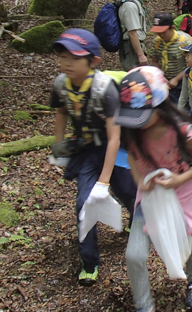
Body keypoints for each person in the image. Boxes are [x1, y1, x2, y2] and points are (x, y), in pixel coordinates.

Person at [115, 66, 192, 312]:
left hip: (183, 194)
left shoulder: (180, 131)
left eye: (141, 116)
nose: (136, 123)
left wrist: (180, 179)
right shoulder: (134, 133)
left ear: (159, 107)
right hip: (150, 198)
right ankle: (144, 305)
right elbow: (131, 160)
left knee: (189, 241)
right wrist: (140, 181)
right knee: (135, 254)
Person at [50, 29, 136, 286]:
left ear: (93, 61)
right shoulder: (61, 84)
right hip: (86, 149)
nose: (66, 63)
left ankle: (136, 218)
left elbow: (114, 137)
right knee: (83, 204)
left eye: (74, 58)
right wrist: (59, 147)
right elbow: (62, 112)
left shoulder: (104, 89)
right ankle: (89, 261)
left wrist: (104, 181)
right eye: (62, 56)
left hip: (114, 149)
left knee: (127, 190)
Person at [149, 12, 192, 105]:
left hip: (182, 81)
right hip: (164, 81)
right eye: (158, 32)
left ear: (172, 28)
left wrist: (177, 79)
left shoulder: (184, 42)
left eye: (163, 32)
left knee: (182, 107)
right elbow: (155, 61)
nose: (160, 35)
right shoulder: (157, 42)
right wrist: (160, 76)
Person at [119, 0, 159, 71]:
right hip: (131, 48)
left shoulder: (134, 2)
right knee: (134, 78)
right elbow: (132, 33)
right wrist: (140, 54)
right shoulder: (130, 6)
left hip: (135, 45)